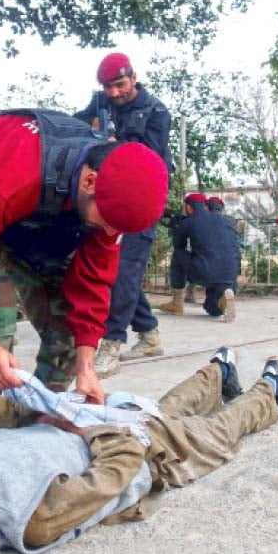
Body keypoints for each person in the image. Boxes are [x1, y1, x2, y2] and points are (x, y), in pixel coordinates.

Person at [0, 346, 278, 554]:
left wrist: (85, 425)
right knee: (164, 410)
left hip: (119, 439)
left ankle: (271, 388)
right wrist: (47, 408)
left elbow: (120, 468)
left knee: (214, 436)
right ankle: (219, 369)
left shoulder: (30, 519)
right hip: (89, 417)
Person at [0, 110, 168, 420]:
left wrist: (86, 368)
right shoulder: (14, 175)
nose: (109, 234)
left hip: (29, 218)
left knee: (68, 329)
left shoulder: (110, 204)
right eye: (107, 223)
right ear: (90, 182)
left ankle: (40, 417)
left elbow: (92, 285)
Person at [74, 52, 173, 378]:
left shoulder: (156, 112)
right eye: (107, 87)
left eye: (119, 85)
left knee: (124, 270)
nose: (114, 93)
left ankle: (112, 342)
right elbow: (78, 124)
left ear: (133, 77)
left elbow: (150, 157)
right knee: (119, 270)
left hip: (142, 199)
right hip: (107, 198)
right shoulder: (100, 104)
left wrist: (114, 142)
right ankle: (149, 333)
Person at [158, 193, 239, 322]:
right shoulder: (225, 221)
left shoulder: (189, 221)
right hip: (229, 277)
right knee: (212, 309)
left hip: (206, 272)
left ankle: (177, 303)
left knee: (178, 255)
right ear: (205, 207)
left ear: (188, 207)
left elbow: (179, 246)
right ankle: (222, 303)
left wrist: (177, 228)